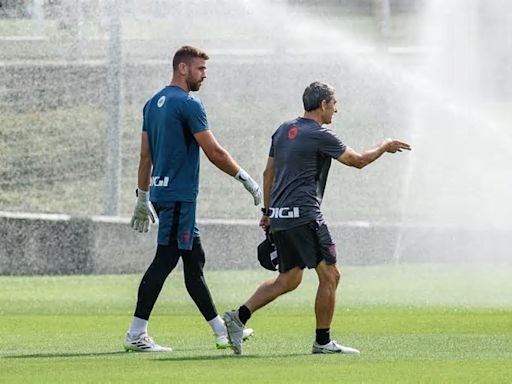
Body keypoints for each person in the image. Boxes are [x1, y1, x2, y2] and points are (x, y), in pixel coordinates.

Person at [224, 81, 411, 355]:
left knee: (288, 279)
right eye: (334, 103)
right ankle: (322, 342)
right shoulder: (321, 134)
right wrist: (384, 145)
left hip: (281, 216)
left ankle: (238, 317)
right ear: (323, 104)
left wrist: (267, 212)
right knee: (331, 275)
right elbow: (357, 161)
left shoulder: (283, 129)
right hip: (305, 215)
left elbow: (268, 174)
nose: (336, 109)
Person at [123, 46, 261, 352]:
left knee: (193, 261)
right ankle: (136, 334)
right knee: (165, 260)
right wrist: (247, 180)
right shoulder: (188, 104)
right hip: (178, 198)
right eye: (200, 69)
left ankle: (222, 332)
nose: (204, 76)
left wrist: (143, 197)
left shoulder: (151, 104)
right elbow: (215, 153)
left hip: (165, 195)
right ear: (182, 69)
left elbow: (145, 157)